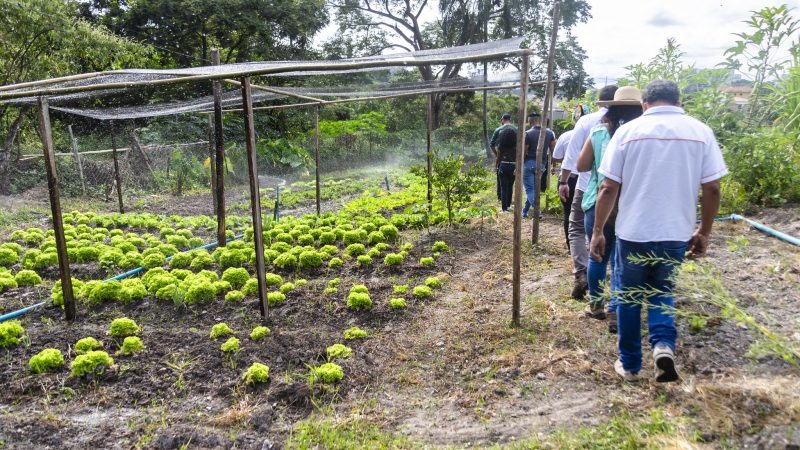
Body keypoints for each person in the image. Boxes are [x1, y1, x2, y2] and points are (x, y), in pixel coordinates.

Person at [590, 80, 727, 383]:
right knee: (661, 292)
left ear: (645, 105)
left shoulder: (627, 133)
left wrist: (598, 230)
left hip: (633, 232)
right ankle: (663, 346)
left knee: (628, 297)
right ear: (680, 103)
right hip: (675, 233)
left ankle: (630, 365)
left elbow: (608, 187)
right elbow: (713, 188)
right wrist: (704, 231)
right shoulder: (700, 132)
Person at [576, 86, 644, 332]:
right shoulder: (641, 134)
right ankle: (616, 309)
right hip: (629, 203)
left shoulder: (598, 133)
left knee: (597, 255)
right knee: (621, 260)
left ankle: (596, 306)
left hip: (598, 201)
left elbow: (581, 165)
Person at [558, 85, 618, 300]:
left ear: (599, 102)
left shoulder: (589, 123)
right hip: (624, 194)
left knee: (577, 229)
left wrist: (563, 181)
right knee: (616, 238)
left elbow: (574, 158)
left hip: (588, 189)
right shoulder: (634, 124)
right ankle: (615, 296)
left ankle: (582, 274)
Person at [522, 112, 555, 218]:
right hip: (542, 165)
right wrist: (553, 165)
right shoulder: (550, 133)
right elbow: (553, 150)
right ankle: (525, 211)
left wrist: (518, 166)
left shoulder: (528, 133)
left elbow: (524, 151)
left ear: (530, 121)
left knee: (530, 189)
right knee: (533, 190)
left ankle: (537, 212)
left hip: (529, 163)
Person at [551, 129, 576, 252]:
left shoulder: (566, 135)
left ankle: (571, 246)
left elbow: (556, 156)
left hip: (568, 179)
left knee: (568, 212)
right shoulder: (599, 132)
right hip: (589, 180)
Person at [489, 113, 519, 212]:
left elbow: (492, 145)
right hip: (514, 164)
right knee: (510, 185)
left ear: (502, 119)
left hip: (503, 163)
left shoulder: (498, 131)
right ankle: (509, 204)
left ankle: (504, 207)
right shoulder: (517, 130)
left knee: (503, 186)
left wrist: (497, 159)